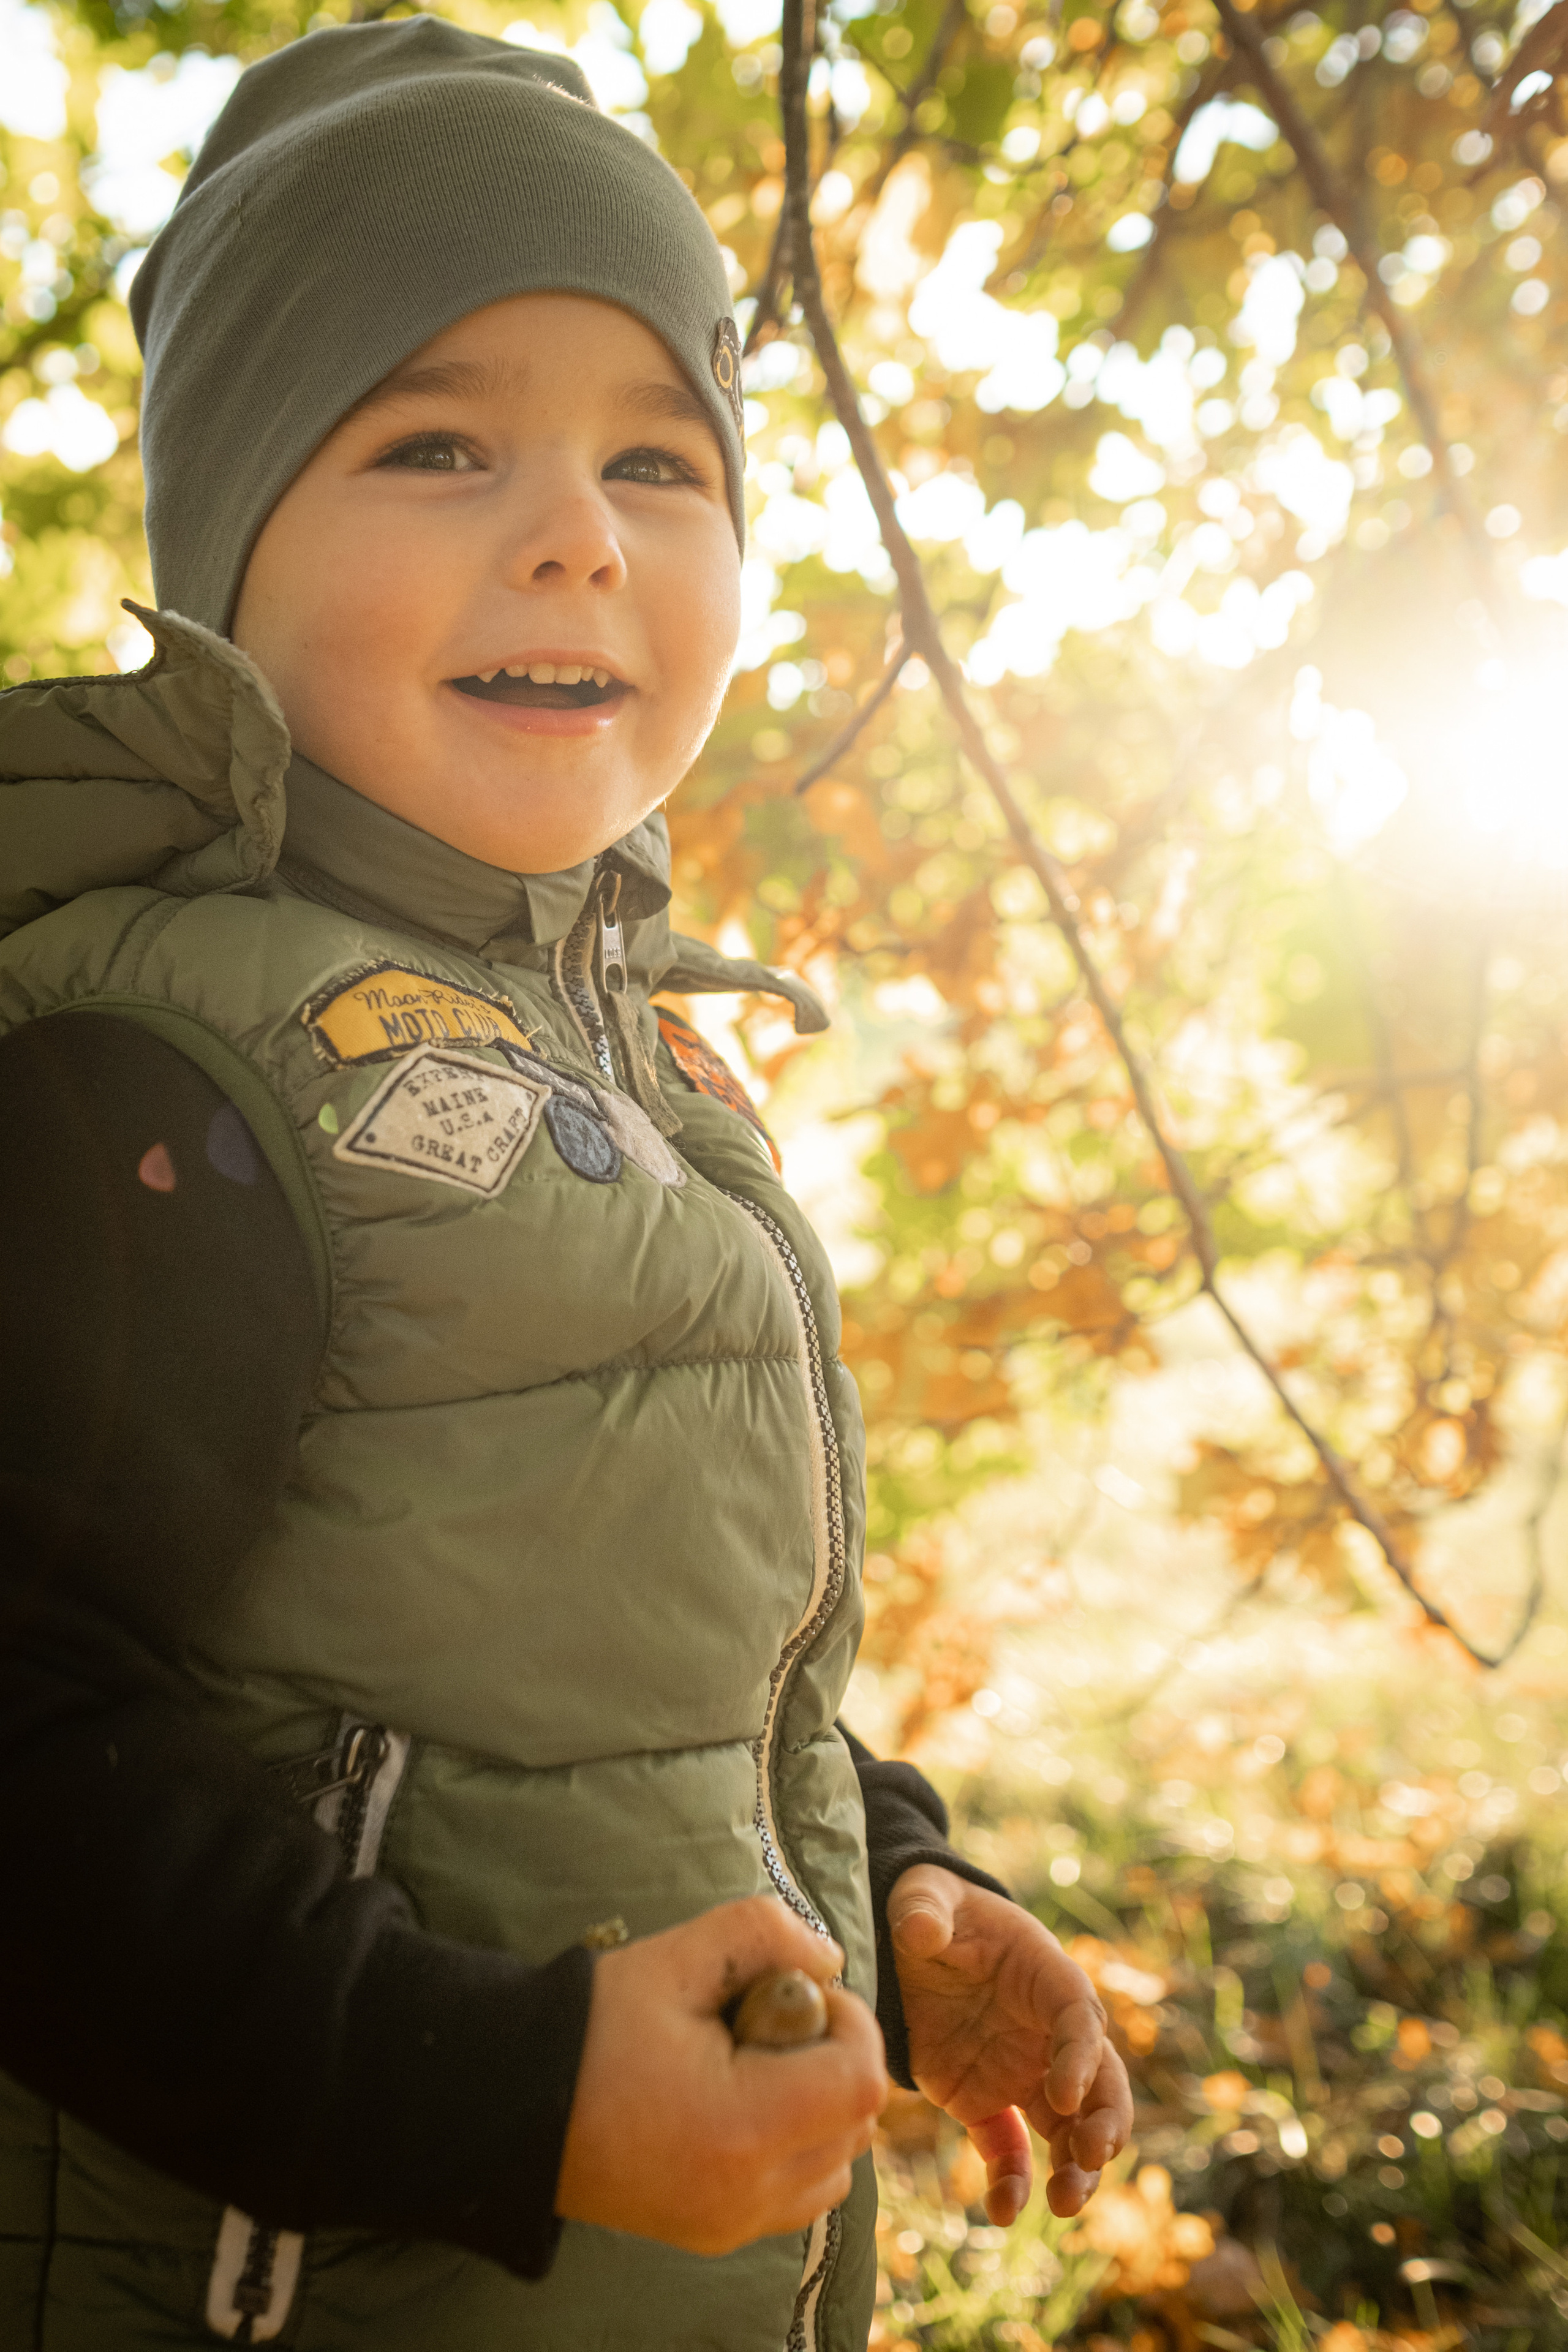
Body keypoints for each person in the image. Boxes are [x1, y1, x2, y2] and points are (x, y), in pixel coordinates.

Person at [0, 20, 1131, 2349]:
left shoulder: (639, 1071)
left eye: (656, 459)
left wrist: (899, 1882)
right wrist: (507, 2094)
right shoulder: (173, 1082)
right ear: (226, 549)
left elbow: (664, 1684)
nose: (576, 534)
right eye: (436, 443)